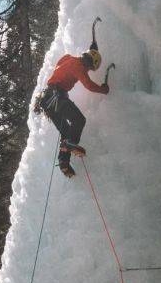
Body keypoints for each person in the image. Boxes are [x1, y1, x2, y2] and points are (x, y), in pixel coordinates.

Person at [37, 34, 109, 179]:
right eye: (90, 68)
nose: (88, 70)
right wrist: (103, 89)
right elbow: (88, 85)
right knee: (79, 120)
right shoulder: (79, 67)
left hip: (47, 101)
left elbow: (61, 64)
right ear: (90, 65)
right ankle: (70, 144)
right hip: (57, 97)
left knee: (66, 132)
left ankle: (64, 162)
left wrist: (92, 50)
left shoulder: (69, 58)